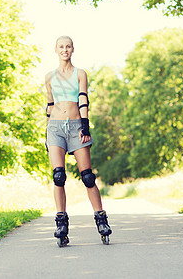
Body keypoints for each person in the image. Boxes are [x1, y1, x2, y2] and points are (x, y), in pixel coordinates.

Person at [45, 36, 112, 246]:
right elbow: (49, 105)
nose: (65, 49)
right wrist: (46, 132)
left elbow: (83, 98)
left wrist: (85, 125)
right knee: (58, 176)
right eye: (61, 46)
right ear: (56, 50)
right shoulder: (49, 77)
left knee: (88, 177)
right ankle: (61, 224)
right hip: (55, 128)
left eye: (68, 46)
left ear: (73, 49)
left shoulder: (80, 74)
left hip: (76, 127)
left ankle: (101, 219)